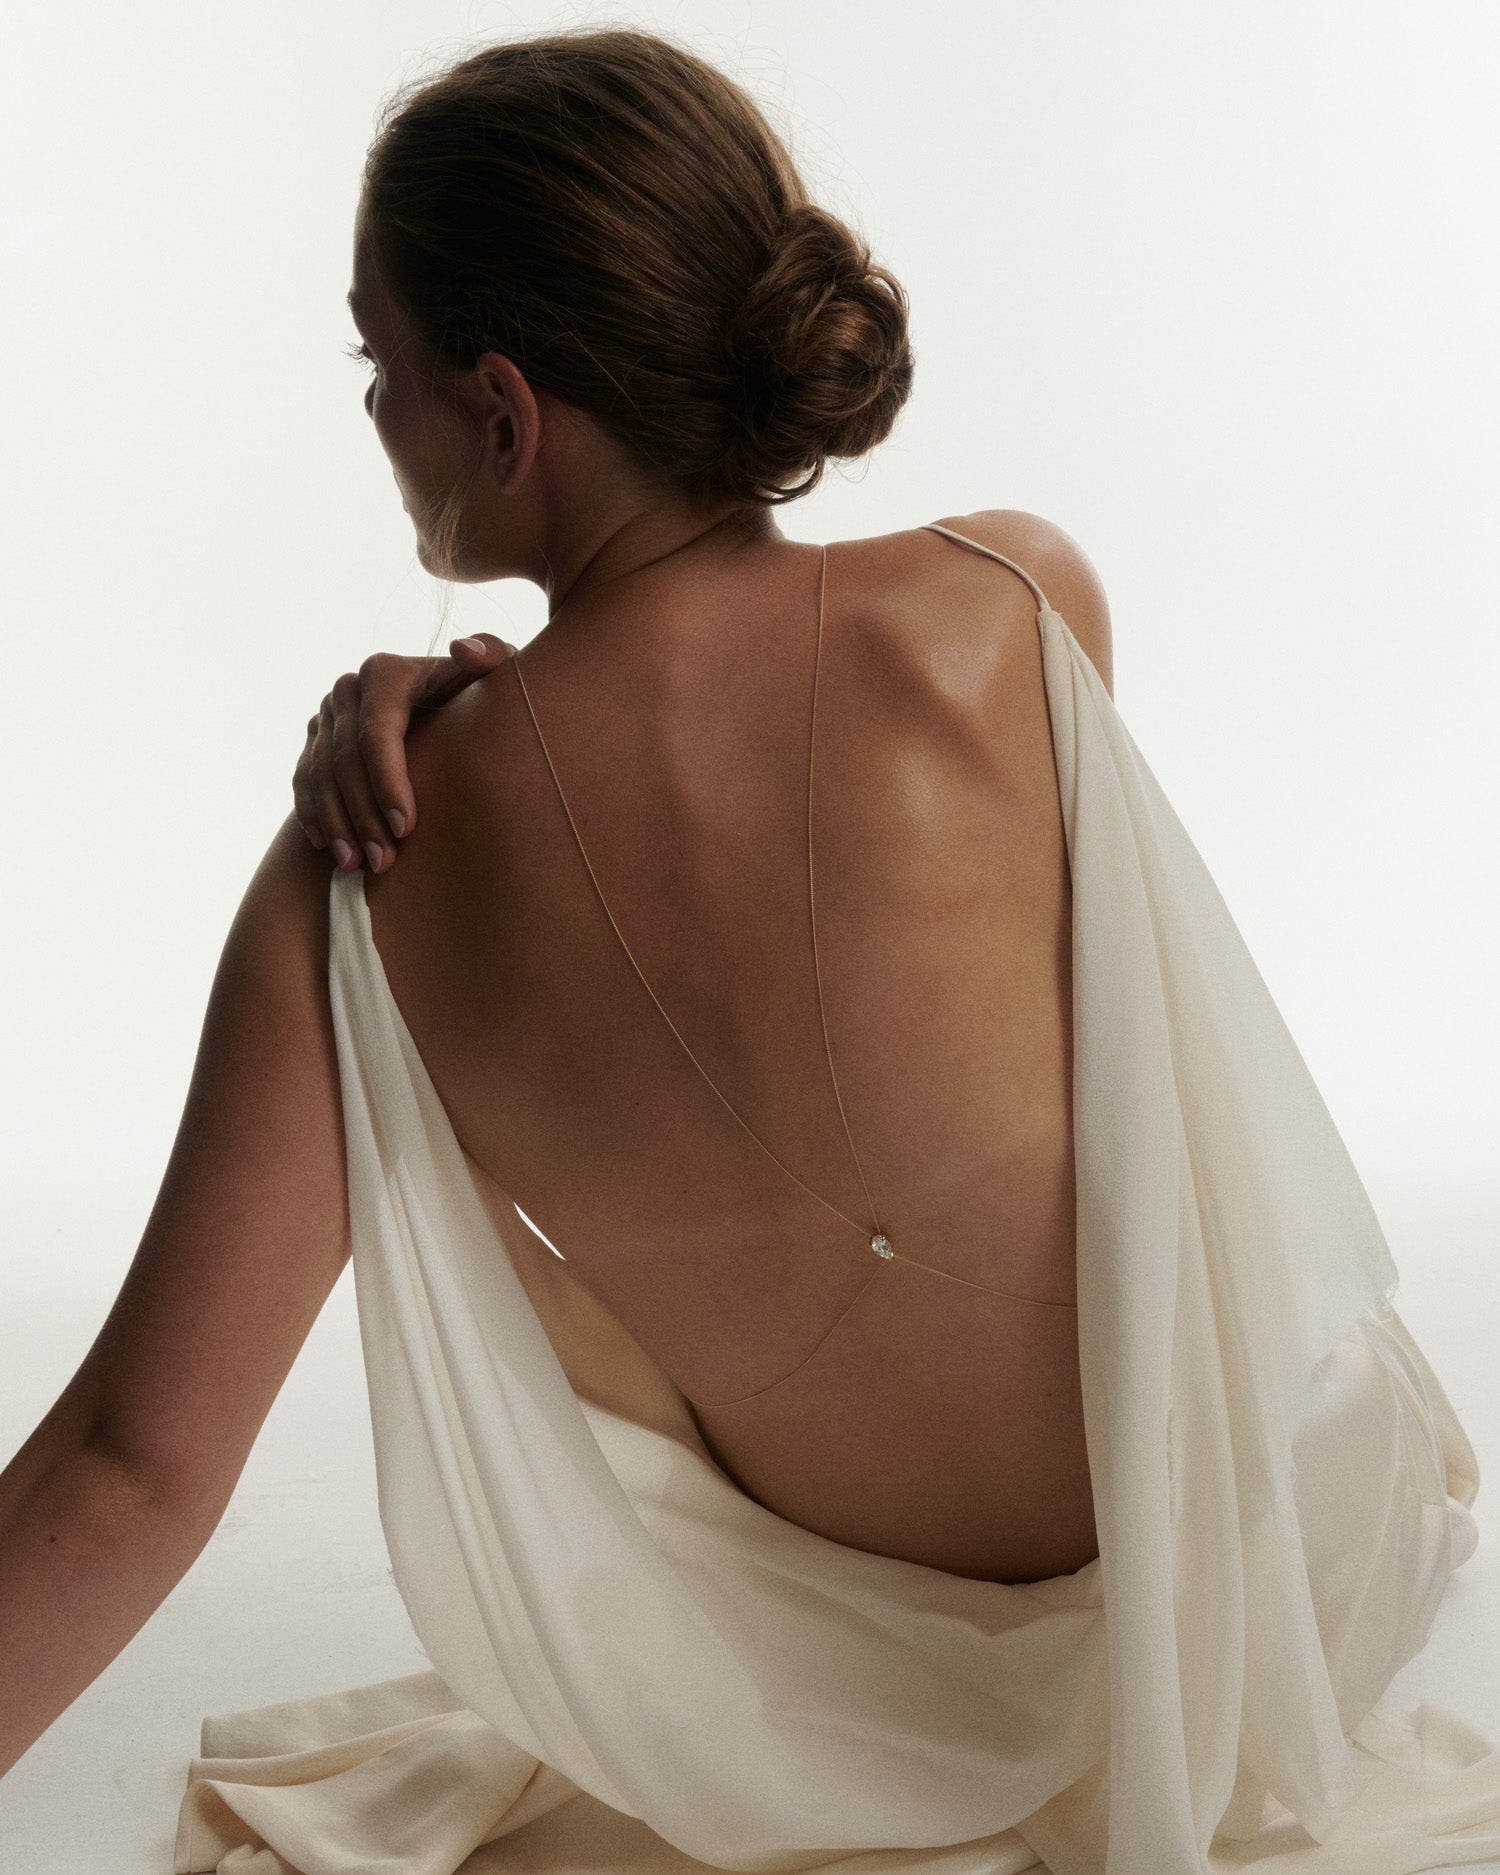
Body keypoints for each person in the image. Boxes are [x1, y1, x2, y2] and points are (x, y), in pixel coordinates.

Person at [4, 24, 1500, 1875]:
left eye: (374, 364)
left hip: (833, 1702)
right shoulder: (1015, 609)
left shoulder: (364, 873)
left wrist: (451, 739)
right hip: (1256, 1569)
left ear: (503, 412)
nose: (368, 418)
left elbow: (131, 1472)